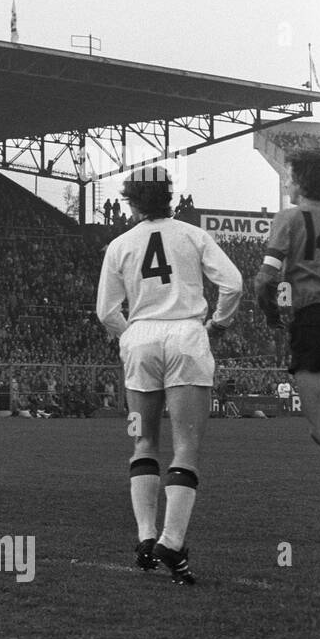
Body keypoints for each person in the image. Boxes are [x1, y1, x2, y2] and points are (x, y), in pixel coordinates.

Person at [95, 166, 242, 584]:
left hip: (140, 343)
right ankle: (171, 541)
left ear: (133, 202)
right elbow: (232, 284)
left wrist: (131, 337)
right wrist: (220, 323)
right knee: (186, 445)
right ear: (170, 198)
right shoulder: (193, 235)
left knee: (143, 439)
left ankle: (145, 536)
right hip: (186, 340)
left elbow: (106, 311)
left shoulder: (120, 244)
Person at [254, 149, 320, 473]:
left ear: (300, 183)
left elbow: (264, 280)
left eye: (289, 177)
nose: (287, 184)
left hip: (314, 323)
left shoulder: (289, 218)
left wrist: (272, 315)